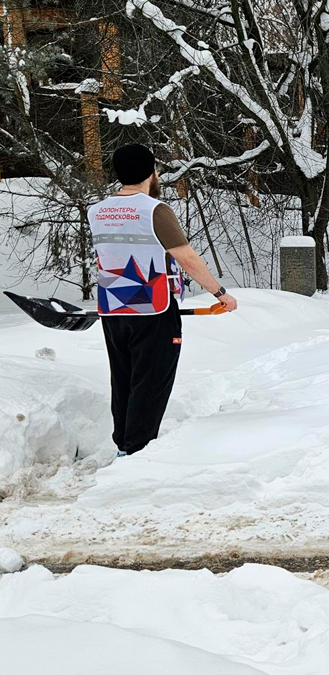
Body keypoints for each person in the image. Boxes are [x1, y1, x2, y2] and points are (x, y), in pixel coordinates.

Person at [88, 143, 238, 457]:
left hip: (113, 307)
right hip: (153, 307)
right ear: (151, 172)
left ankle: (124, 445)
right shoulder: (154, 210)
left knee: (124, 379)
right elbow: (187, 258)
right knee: (151, 381)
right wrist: (219, 293)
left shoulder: (97, 211)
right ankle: (136, 452)